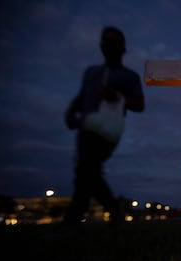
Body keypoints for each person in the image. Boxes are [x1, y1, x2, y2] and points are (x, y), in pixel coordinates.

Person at [63, 26, 145, 226]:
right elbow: (82, 96)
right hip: (86, 127)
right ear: (101, 46)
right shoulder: (92, 73)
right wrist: (70, 112)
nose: (110, 46)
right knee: (88, 172)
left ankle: (73, 221)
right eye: (106, 41)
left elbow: (139, 104)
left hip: (107, 132)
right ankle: (114, 213)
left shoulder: (129, 76)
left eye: (115, 42)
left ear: (123, 48)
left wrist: (118, 97)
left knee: (86, 170)